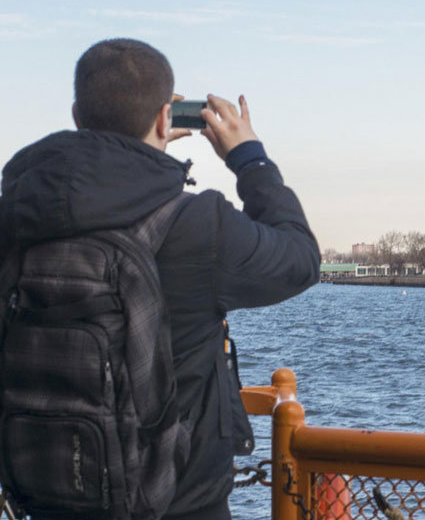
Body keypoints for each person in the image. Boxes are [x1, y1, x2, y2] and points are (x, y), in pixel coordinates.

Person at [0, 39, 321, 519]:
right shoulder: (198, 225)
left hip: (49, 500)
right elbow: (300, 259)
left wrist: (135, 157)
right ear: (166, 118)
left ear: (76, 114)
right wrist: (249, 159)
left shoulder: (17, 214)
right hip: (179, 503)